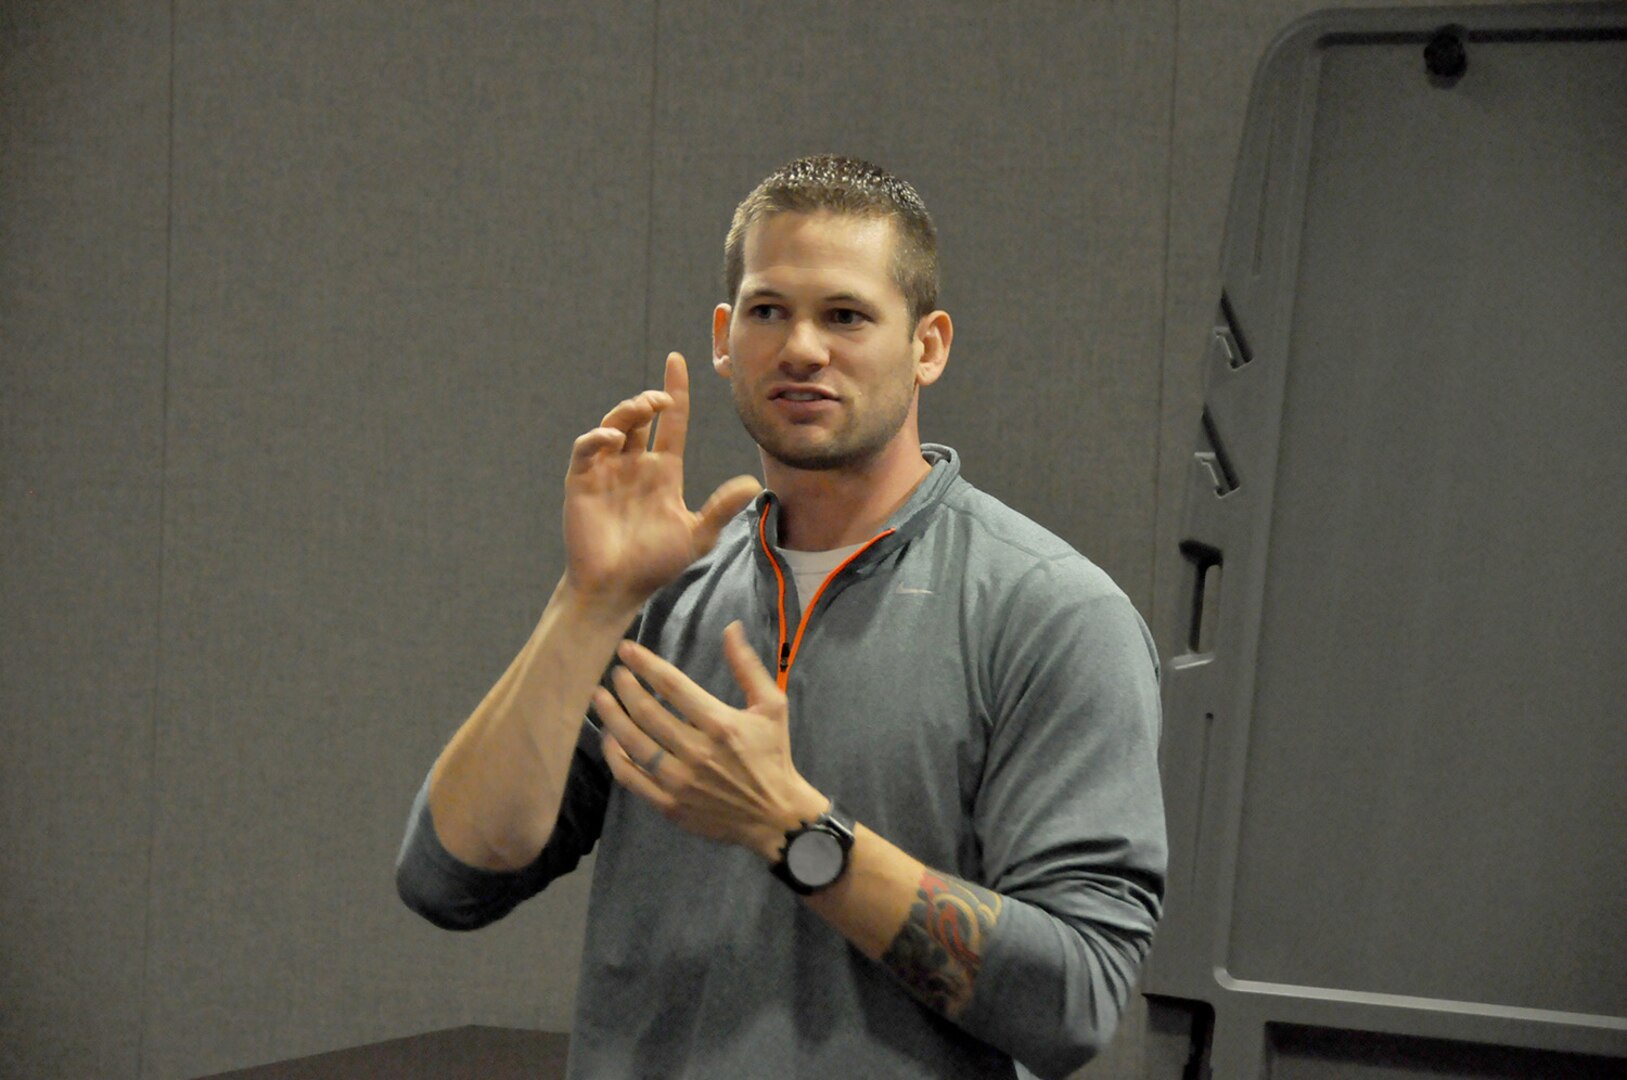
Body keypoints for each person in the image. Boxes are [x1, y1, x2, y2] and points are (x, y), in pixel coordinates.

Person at [396, 155, 1167, 1080]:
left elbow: (1074, 1002)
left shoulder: (1055, 614)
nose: (801, 347)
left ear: (927, 346)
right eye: (769, 311)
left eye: (844, 315)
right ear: (726, 337)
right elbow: (450, 877)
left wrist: (795, 832)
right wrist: (588, 602)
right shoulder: (660, 597)